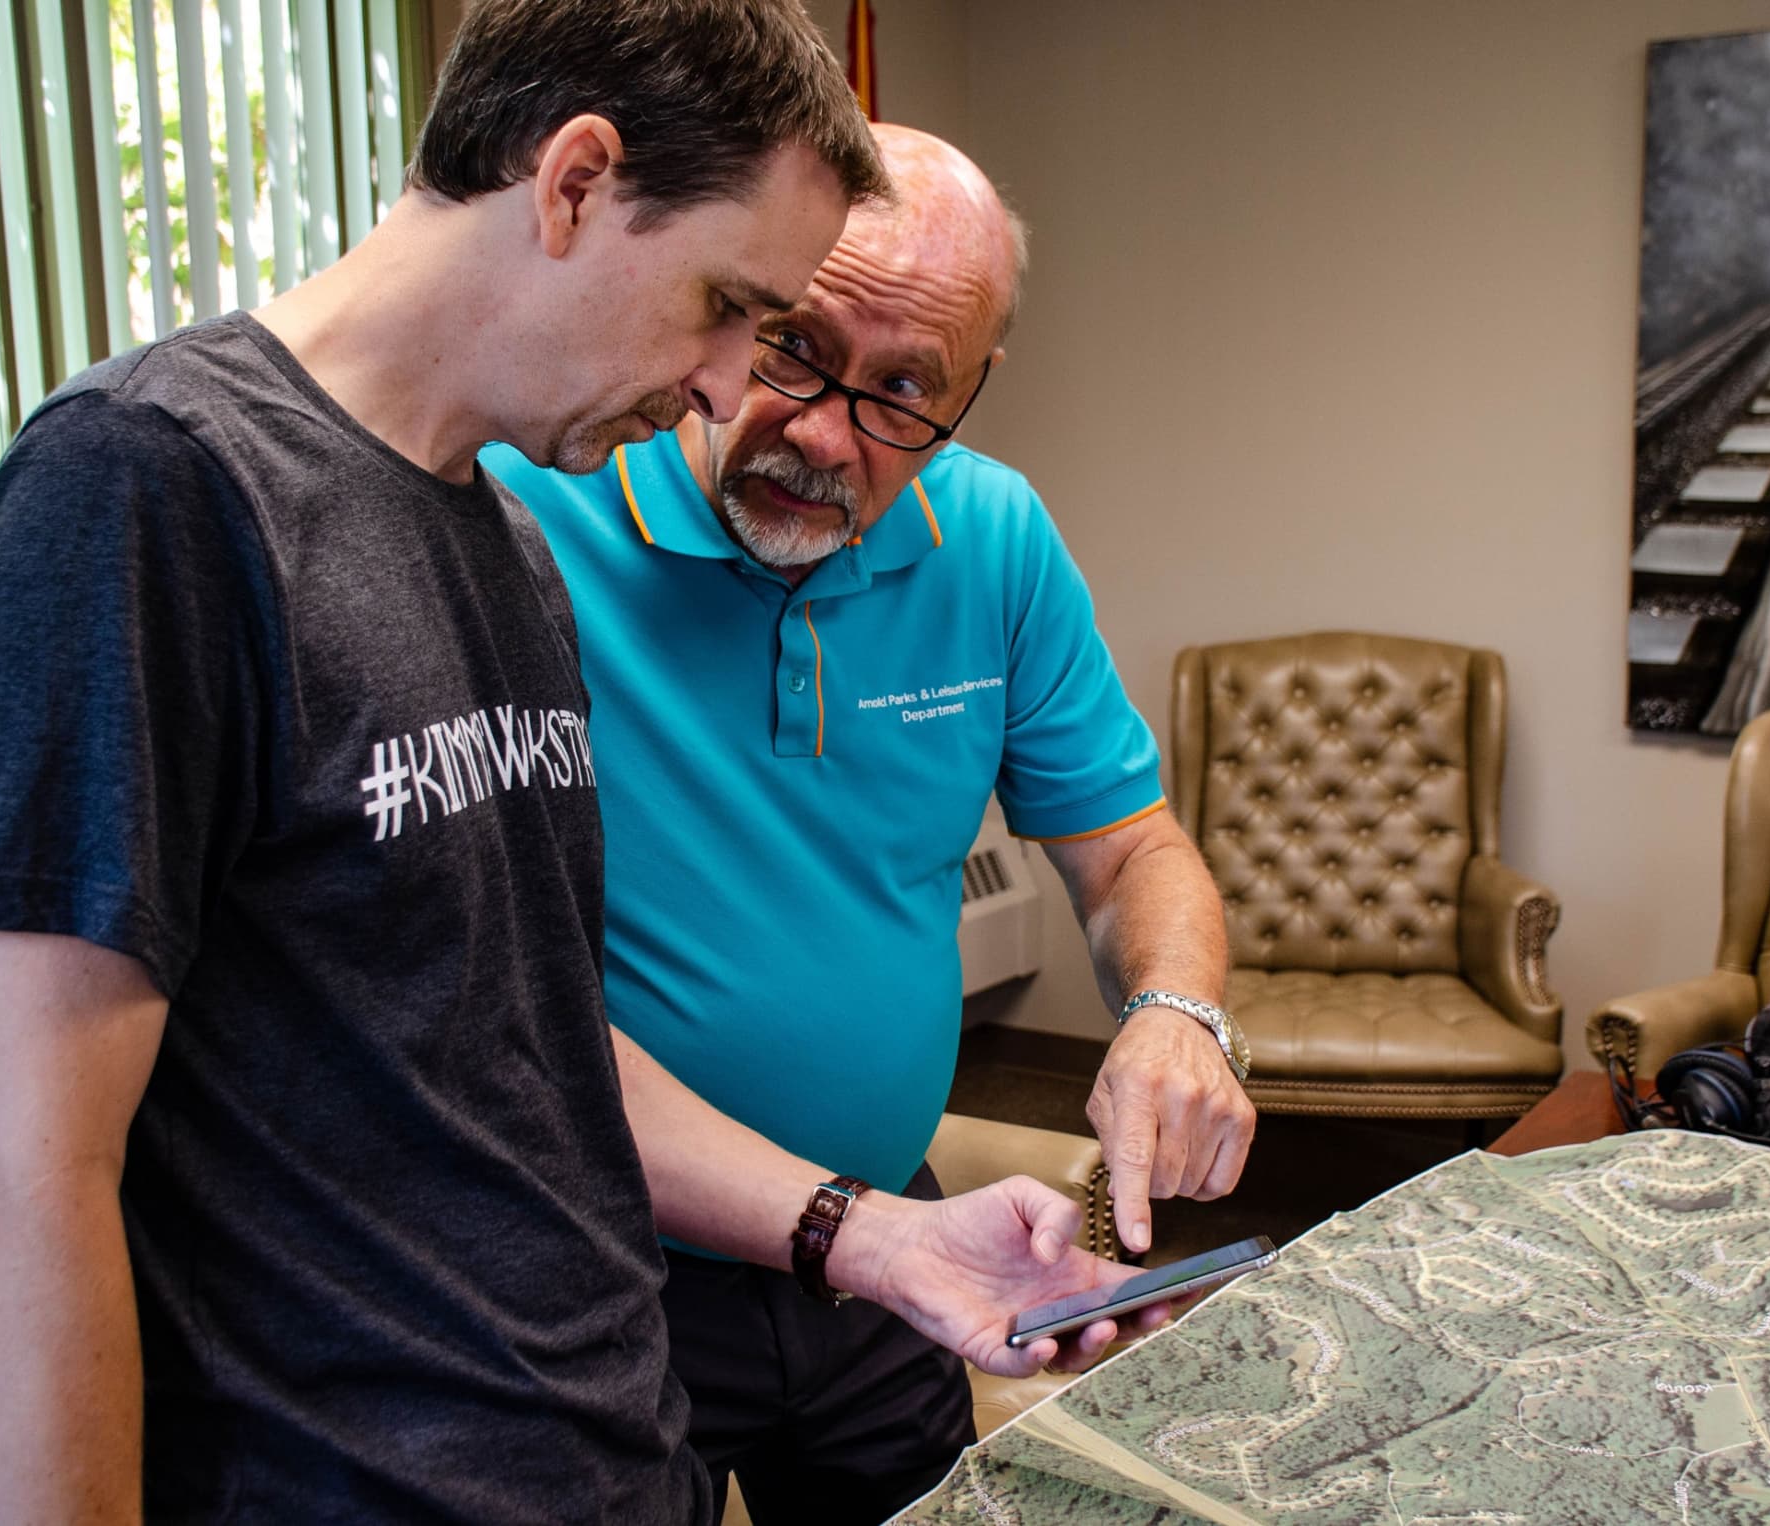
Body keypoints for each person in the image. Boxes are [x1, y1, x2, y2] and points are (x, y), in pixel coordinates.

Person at [0, 10, 1148, 1524]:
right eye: (730, 309)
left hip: (607, 1455)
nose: (717, 385)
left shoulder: (496, 537)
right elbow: (11, 1168)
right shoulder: (145, 484)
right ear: (574, 183)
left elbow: (542, 1047)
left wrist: (874, 1236)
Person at [479, 123, 1259, 1525]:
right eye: (794, 346)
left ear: (973, 389)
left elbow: (1135, 850)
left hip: (893, 1240)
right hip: (595, 1265)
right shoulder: (538, 502)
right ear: (730, 300)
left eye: (905, 391)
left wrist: (1174, 1007)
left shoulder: (995, 536)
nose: (829, 433)